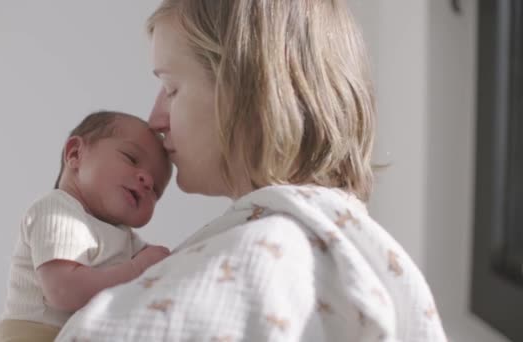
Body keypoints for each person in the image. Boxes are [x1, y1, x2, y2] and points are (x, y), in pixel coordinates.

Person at [57, 1, 448, 341]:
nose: (155, 118)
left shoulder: (259, 257)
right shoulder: (356, 256)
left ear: (246, 90)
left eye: (172, 89)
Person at [0, 111, 173, 342]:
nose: (147, 181)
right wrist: (138, 269)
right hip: (35, 334)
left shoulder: (125, 237)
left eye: (156, 190)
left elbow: (157, 268)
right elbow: (64, 291)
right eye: (130, 158)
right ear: (75, 154)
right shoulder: (58, 210)